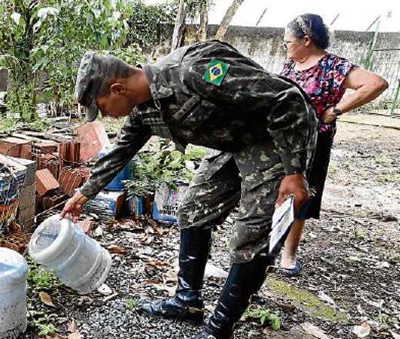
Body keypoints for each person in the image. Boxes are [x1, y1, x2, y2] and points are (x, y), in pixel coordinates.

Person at [61, 40, 317, 339]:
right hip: (233, 143)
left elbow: (286, 99)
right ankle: (187, 301)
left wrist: (295, 171)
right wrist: (83, 194)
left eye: (101, 107)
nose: (104, 116)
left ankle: (219, 329)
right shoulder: (144, 111)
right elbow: (121, 152)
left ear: (117, 89)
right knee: (193, 209)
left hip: (274, 138)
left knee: (251, 235)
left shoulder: (193, 70)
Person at [278, 14, 388, 276]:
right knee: (277, 192)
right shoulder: (291, 64)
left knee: (302, 194)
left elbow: (376, 83)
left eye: (288, 42)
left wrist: (337, 110)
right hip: (284, 139)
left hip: (315, 141)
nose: (286, 47)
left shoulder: (333, 66)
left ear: (307, 40)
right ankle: (269, 244)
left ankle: (288, 253)